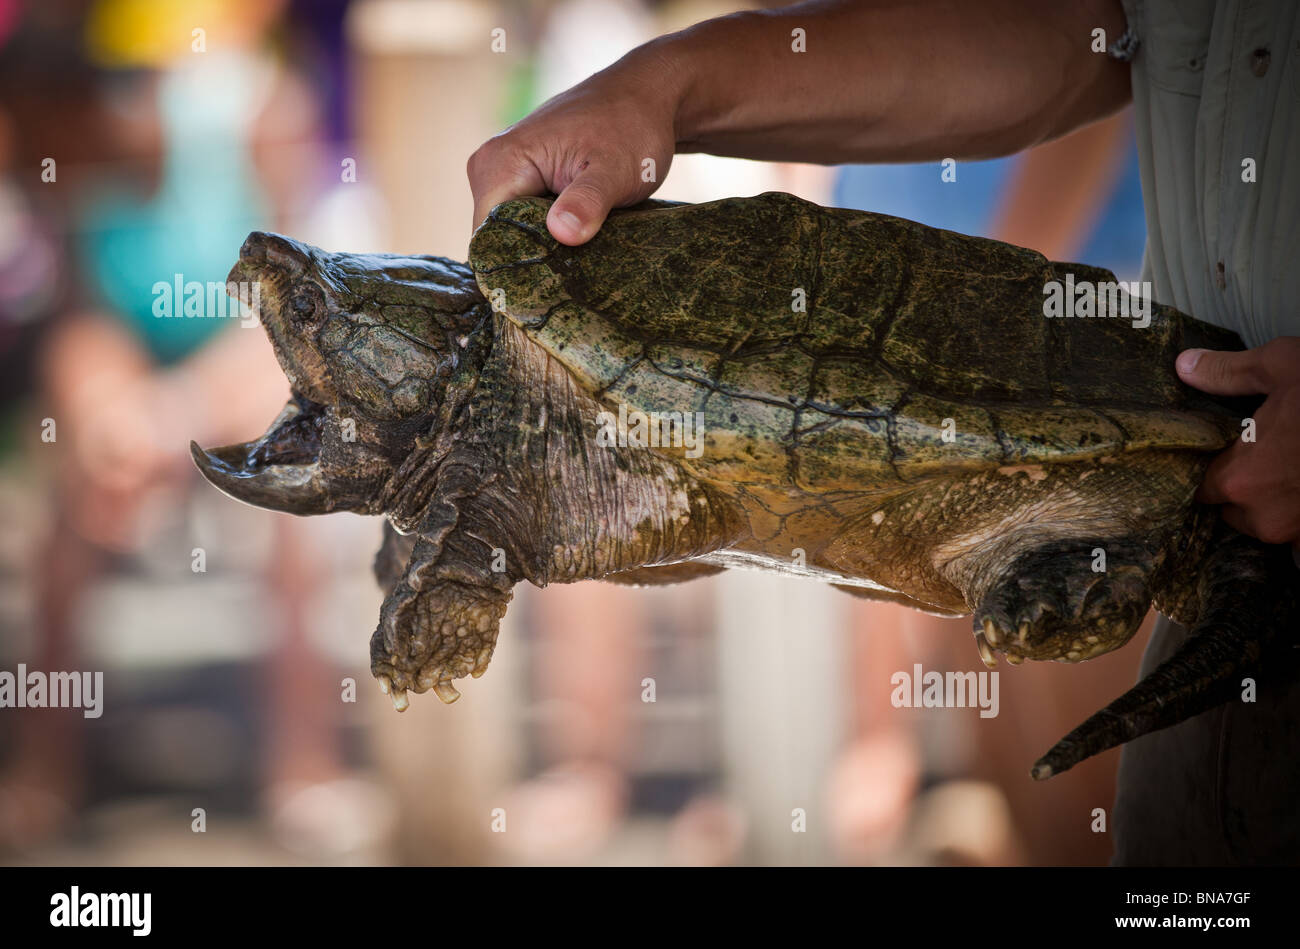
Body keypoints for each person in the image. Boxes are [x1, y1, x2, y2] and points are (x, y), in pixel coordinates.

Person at [465, 0, 1300, 865]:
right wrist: (661, 87)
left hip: (1068, 335)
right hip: (1053, 377)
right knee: (1029, 745)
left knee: (1062, 742)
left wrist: (1000, 321)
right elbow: (1078, 30)